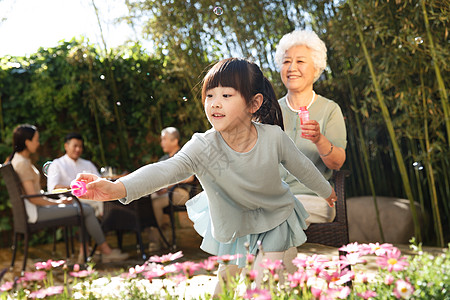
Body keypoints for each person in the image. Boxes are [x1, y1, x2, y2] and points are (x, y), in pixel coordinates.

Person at [74, 58, 337, 294]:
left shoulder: (273, 138)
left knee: (263, 284)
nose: (215, 103)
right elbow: (165, 170)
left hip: (276, 217)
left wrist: (326, 190)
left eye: (226, 94)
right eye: (209, 95)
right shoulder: (203, 146)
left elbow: (301, 166)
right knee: (225, 286)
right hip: (235, 224)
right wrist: (117, 187)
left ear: (253, 103)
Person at [5, 124, 128, 263]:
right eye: (36, 140)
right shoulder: (22, 163)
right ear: (27, 142)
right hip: (36, 211)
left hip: (36, 209)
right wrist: (58, 202)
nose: (38, 143)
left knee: (84, 209)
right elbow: (33, 198)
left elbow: (33, 196)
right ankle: (105, 251)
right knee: (85, 209)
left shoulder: (19, 161)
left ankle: (87, 251)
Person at [274, 30, 347, 226]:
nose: (292, 68)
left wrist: (319, 140)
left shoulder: (329, 109)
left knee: (275, 218)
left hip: (314, 198)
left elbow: (337, 163)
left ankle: (273, 258)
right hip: (272, 197)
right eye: (287, 61)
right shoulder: (269, 110)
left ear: (316, 69)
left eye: (300, 61)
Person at [148, 127, 195, 250]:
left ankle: (156, 241)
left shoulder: (183, 155)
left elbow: (190, 178)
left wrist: (168, 186)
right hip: (165, 193)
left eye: (164, 139)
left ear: (175, 141)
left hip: (181, 192)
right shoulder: (163, 159)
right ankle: (163, 237)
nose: (161, 142)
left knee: (156, 203)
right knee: (148, 200)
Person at [47, 132, 103, 217]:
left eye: (80, 146)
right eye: (75, 146)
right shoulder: (57, 164)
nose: (78, 149)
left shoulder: (87, 164)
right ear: (66, 146)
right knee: (102, 201)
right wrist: (74, 187)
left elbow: (100, 180)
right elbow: (52, 188)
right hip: (71, 200)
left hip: (90, 196)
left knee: (104, 198)